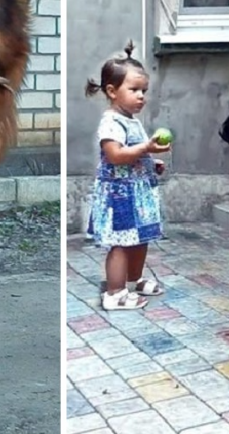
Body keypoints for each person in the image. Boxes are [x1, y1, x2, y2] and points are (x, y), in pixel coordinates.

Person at [84, 41, 170, 310]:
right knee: (120, 244)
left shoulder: (131, 121)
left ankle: (133, 280)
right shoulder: (111, 121)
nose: (141, 96)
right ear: (112, 91)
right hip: (120, 196)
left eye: (143, 90)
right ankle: (114, 293)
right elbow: (115, 155)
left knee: (140, 238)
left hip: (137, 193)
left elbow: (131, 156)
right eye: (134, 90)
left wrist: (149, 161)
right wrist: (145, 147)